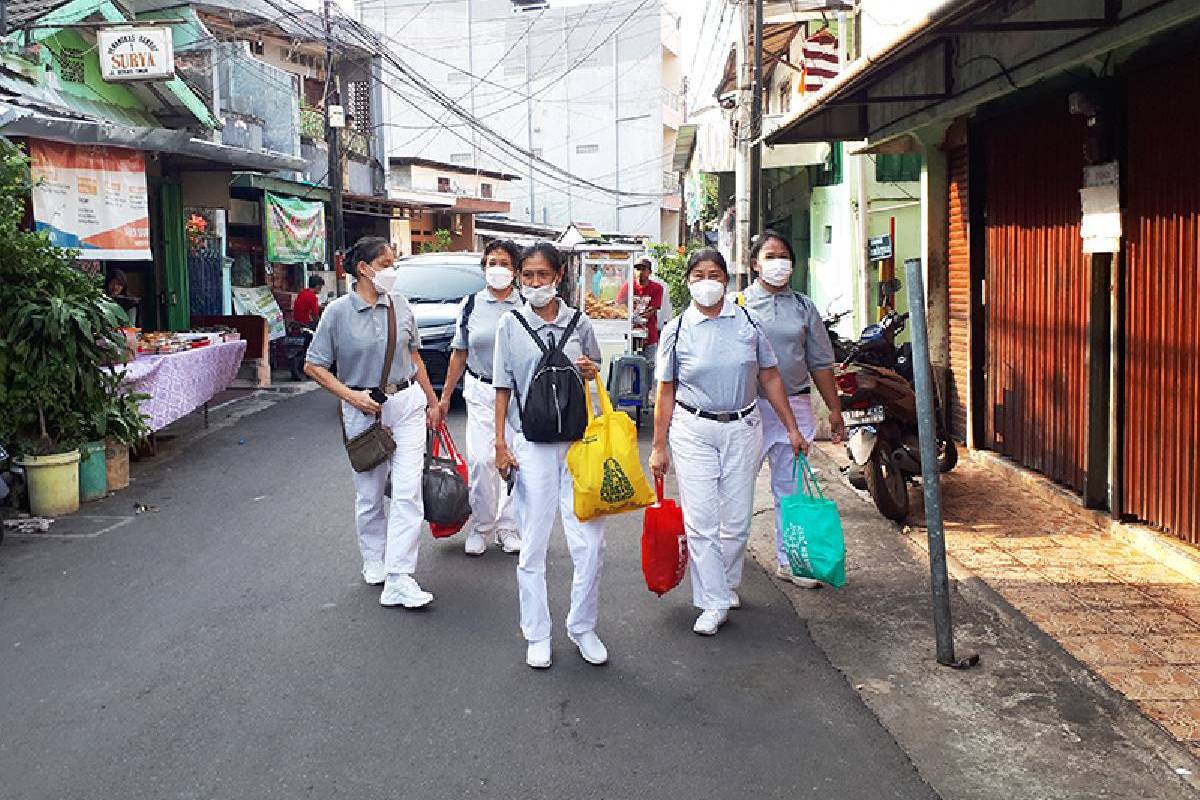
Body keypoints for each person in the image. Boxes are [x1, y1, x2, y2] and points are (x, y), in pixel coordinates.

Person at [648, 248, 807, 637]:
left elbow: (769, 377)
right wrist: (658, 445)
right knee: (700, 519)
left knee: (735, 520)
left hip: (742, 426)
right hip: (692, 429)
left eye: (715, 274)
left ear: (726, 280)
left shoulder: (747, 321)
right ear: (688, 281)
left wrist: (791, 427)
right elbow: (665, 391)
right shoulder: (678, 330)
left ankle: (726, 584)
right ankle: (712, 600)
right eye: (699, 274)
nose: (708, 282)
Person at [304, 237, 443, 609]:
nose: (391, 270)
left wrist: (433, 403)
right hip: (362, 410)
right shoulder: (337, 313)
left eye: (393, 262)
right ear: (363, 268)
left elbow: (415, 357)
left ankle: (400, 575)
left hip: (408, 403)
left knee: (409, 490)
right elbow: (314, 365)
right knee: (370, 493)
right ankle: (374, 558)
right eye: (384, 263)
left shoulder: (400, 305)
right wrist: (352, 398)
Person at [492, 242, 607, 669]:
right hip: (531, 446)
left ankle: (583, 626)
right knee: (533, 545)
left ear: (558, 276)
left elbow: (594, 365)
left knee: (590, 543)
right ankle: (537, 632)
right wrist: (501, 445)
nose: (535, 283)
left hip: (579, 445)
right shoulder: (510, 324)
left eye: (542, 275)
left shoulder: (580, 321)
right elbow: (502, 386)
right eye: (528, 276)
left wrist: (591, 369)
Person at [739, 231, 845, 589]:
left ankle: (791, 561)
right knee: (738, 488)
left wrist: (834, 408)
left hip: (796, 405)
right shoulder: (737, 305)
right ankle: (727, 569)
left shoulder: (803, 306)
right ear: (755, 264)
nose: (778, 262)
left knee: (791, 489)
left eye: (783, 255)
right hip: (750, 407)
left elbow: (819, 362)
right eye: (770, 256)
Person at [438, 240, 523, 557]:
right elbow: (460, 353)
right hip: (481, 389)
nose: (497, 268)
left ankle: (509, 526)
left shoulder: (526, 304)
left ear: (514, 270)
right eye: (491, 262)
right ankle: (482, 525)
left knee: (516, 460)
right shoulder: (471, 305)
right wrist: (445, 396)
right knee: (481, 460)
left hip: (519, 395)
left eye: (504, 262)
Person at [616, 258, 664, 364]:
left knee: (649, 368)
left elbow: (653, 309)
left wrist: (638, 318)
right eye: (637, 269)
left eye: (643, 269)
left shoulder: (656, 288)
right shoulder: (629, 286)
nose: (640, 272)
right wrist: (627, 315)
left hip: (649, 336)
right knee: (629, 367)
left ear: (649, 272)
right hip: (630, 335)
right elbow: (619, 304)